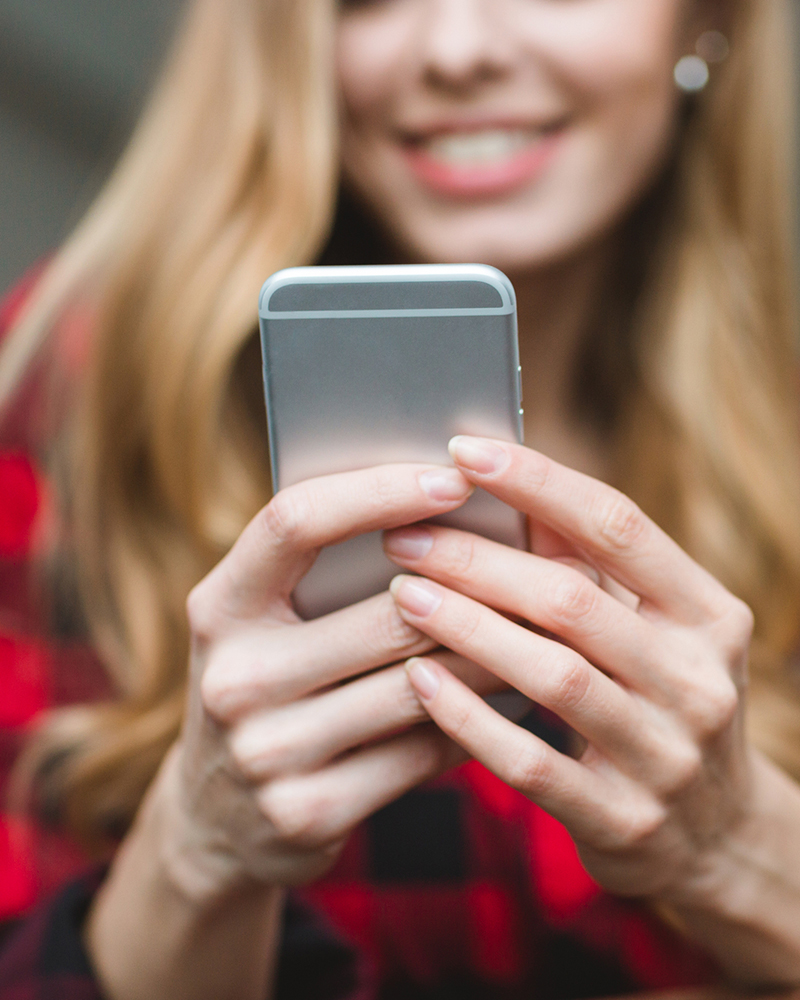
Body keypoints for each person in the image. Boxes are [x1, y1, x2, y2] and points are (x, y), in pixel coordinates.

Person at [2, 0, 800, 997]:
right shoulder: (70, 400)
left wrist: (737, 851)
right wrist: (199, 856)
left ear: (705, 20)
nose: (455, 51)